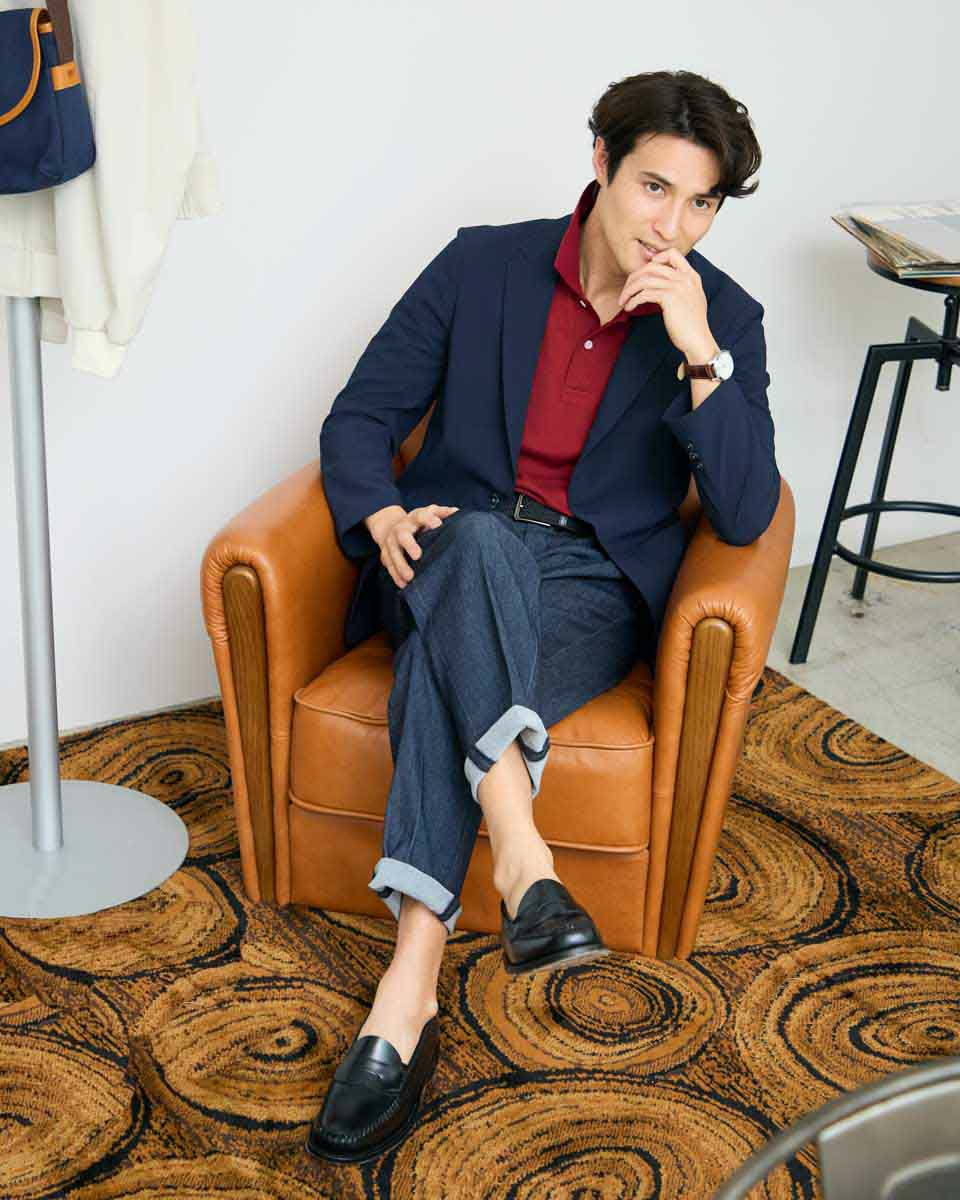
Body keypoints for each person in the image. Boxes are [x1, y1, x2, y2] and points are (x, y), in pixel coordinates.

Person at [308, 68, 780, 1163]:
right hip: (446, 544)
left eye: (701, 204)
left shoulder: (722, 318)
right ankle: (516, 864)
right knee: (476, 549)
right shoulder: (482, 264)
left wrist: (700, 352)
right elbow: (362, 416)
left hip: (589, 586)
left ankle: (408, 992)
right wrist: (380, 511)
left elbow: (748, 511)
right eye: (654, 187)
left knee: (446, 666)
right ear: (602, 164)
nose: (672, 226)